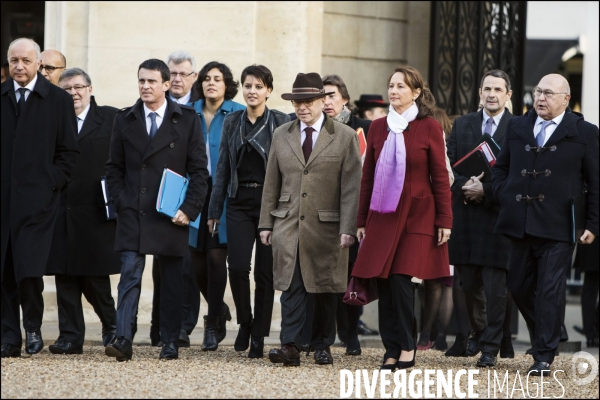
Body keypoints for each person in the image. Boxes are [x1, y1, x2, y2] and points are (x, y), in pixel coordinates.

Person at [492, 73, 598, 375]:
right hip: (520, 221)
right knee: (518, 285)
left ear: (565, 99)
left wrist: (593, 223)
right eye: (538, 91)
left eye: (549, 93)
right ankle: (548, 332)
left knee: (550, 289)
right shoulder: (518, 126)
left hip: (560, 226)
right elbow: (500, 168)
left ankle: (544, 355)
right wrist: (505, 192)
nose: (541, 97)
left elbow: (596, 182)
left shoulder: (584, 132)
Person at [105, 58, 208, 361]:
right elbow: (113, 168)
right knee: (130, 276)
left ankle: (169, 341)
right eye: (141, 81)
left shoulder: (187, 120)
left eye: (151, 81)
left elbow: (200, 172)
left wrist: (189, 209)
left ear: (166, 85)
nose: (145, 86)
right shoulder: (124, 119)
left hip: (171, 213)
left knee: (173, 279)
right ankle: (123, 339)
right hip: (132, 212)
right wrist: (121, 201)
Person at [352, 66, 452, 371]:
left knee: (402, 281)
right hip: (382, 217)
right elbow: (367, 177)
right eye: (391, 85)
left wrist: (445, 220)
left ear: (416, 93)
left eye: (401, 86)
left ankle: (408, 346)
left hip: (418, 217)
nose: (393, 91)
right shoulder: (378, 127)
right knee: (383, 283)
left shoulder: (429, 127)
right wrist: (360, 220)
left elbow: (439, 176)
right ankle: (391, 349)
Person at [260, 72, 361, 366]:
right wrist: (266, 224)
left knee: (325, 288)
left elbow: (351, 187)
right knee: (291, 287)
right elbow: (271, 183)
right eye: (297, 103)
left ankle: (322, 345)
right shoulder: (281, 135)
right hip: (288, 223)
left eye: (307, 101)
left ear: (322, 100)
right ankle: (290, 346)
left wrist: (348, 228)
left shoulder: (344, 137)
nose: (302, 108)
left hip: (327, 227)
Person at [1, 38, 79, 358]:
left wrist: (51, 184)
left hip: (39, 202)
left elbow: (69, 153)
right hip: (3, 203)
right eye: (14, 60)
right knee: (5, 268)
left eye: (25, 60)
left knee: (29, 269)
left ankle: (32, 327)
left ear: (38, 64)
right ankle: (8, 336)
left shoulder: (58, 100)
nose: (19, 66)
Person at [209, 64, 289, 358]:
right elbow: (222, 167)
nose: (252, 91)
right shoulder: (232, 121)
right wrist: (214, 210)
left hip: (271, 205)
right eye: (247, 85)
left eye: (258, 86)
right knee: (238, 266)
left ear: (268, 90)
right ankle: (244, 321)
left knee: (266, 274)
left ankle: (259, 334)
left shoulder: (281, 121)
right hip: (238, 202)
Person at [45, 68, 121, 354]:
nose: (73, 93)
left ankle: (112, 327)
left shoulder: (112, 119)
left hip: (95, 211)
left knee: (96, 277)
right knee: (63, 275)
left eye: (78, 87)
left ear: (90, 89)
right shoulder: (52, 120)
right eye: (67, 88)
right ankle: (70, 336)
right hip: (60, 209)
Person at [444, 70, 515, 368]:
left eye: (498, 89)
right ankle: (481, 329)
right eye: (487, 88)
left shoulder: (519, 127)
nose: (492, 94)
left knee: (496, 287)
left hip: (498, 217)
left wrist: (485, 190)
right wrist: (465, 186)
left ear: (508, 94)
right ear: (479, 92)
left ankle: (490, 348)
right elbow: (447, 164)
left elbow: (518, 174)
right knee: (468, 284)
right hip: (467, 216)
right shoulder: (462, 124)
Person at [189, 61, 244, 350]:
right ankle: (218, 307)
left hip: (224, 191)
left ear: (226, 85)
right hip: (194, 190)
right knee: (194, 258)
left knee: (214, 257)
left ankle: (211, 324)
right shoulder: (189, 112)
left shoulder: (237, 113)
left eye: (218, 79)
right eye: (207, 79)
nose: (212, 83)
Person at [149, 50, 201, 347]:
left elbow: (201, 162)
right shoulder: (154, 105)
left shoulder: (197, 110)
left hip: (190, 197)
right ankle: (160, 327)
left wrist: (192, 204)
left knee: (188, 264)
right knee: (162, 267)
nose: (178, 78)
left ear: (193, 77)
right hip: (158, 200)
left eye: (184, 73)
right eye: (174, 73)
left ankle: (183, 325)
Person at [321, 74, 372, 356]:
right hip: (324, 211)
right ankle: (326, 334)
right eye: (322, 96)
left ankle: (351, 334)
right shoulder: (317, 129)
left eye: (331, 95)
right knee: (328, 276)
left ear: (344, 99)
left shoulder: (364, 128)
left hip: (354, 212)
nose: (326, 101)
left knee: (352, 273)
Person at [416, 106, 455, 352]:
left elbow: (446, 178)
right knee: (436, 281)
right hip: (441, 217)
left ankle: (428, 334)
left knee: (433, 281)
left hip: (437, 217)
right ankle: (432, 334)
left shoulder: (433, 134)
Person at [573, 239, 599, 347]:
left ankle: (591, 331)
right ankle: (592, 329)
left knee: (590, 286)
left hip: (591, 237)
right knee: (590, 284)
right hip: (591, 237)